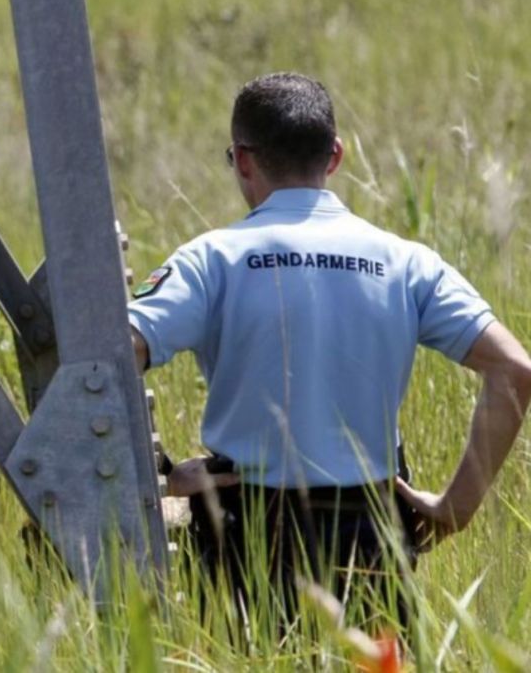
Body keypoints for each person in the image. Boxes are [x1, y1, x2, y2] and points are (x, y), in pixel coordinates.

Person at [127, 72, 531, 624]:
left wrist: (161, 476)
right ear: (335, 155)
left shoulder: (210, 259)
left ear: (243, 160)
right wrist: (455, 509)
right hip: (371, 533)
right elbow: (513, 370)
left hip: (246, 532)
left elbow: (111, 358)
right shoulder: (406, 262)